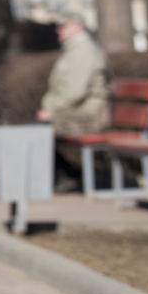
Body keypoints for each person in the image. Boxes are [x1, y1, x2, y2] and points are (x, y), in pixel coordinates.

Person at [35, 13, 111, 190]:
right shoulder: (74, 50)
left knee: (40, 129)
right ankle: (68, 174)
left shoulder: (83, 51)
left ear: (79, 27)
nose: (58, 30)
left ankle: (66, 176)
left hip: (89, 114)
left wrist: (51, 110)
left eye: (64, 26)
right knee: (38, 128)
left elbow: (75, 92)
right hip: (77, 111)